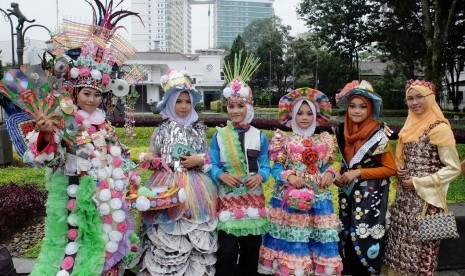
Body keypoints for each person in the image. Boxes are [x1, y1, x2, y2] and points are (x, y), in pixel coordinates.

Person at [4, 2, 143, 275]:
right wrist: (45, 132)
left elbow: (120, 156)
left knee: (108, 250)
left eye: (98, 95)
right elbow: (46, 156)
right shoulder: (64, 120)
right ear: (75, 93)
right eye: (87, 94)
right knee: (74, 255)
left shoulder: (105, 124)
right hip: (76, 197)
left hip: (109, 199)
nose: (93, 100)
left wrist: (132, 181)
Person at [136, 70, 218, 275]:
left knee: (195, 229)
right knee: (165, 229)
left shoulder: (199, 129)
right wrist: (149, 158)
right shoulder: (161, 129)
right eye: (179, 101)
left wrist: (199, 160)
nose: (183, 106)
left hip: (196, 186)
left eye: (187, 101)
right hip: (165, 183)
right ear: (170, 102)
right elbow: (154, 156)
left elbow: (208, 157)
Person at [258, 88, 343, 276]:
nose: (305, 117)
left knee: (317, 237)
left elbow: (326, 167)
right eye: (300, 113)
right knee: (295, 239)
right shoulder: (285, 141)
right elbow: (276, 169)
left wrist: (330, 173)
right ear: (292, 115)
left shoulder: (323, 142)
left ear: (316, 116)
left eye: (309, 113)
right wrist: (290, 177)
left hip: (319, 202)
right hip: (292, 202)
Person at [383, 80, 461, 275]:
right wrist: (401, 169)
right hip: (404, 199)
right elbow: (405, 158)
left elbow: (453, 168)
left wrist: (418, 182)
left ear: (431, 98)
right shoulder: (410, 125)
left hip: (426, 201)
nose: (414, 102)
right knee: (398, 246)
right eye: (410, 98)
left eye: (419, 97)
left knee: (420, 251)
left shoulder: (439, 128)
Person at [209, 53, 270, 276]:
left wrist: (261, 176)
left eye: (240, 106)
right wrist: (221, 175)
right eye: (231, 106)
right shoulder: (219, 136)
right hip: (227, 198)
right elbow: (211, 163)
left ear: (249, 107)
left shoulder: (260, 136)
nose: (235, 111)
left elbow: (266, 165)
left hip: (253, 197)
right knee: (226, 250)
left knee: (251, 249)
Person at [333, 80, 397, 275]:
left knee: (366, 241)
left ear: (370, 109)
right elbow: (345, 162)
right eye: (352, 106)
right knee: (347, 239)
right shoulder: (342, 131)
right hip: (348, 195)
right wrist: (339, 174)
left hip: (371, 200)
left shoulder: (379, 134)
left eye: (362, 107)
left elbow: (390, 168)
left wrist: (360, 172)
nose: (357, 111)